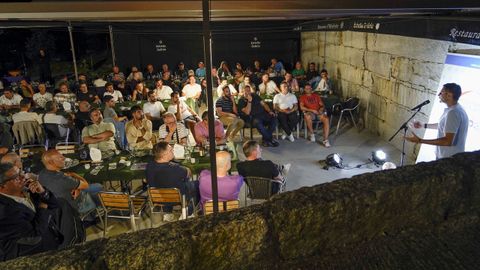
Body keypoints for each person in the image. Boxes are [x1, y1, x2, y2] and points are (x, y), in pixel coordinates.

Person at [0, 163, 61, 261]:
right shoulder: (4, 211)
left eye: (21, 172)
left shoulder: (27, 190)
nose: (23, 177)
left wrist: (43, 192)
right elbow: (35, 234)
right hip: (31, 256)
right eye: (16, 177)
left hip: (50, 241)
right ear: (2, 186)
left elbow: (55, 205)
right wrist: (43, 207)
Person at [406, 83, 469, 159]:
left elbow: (448, 141)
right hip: (447, 155)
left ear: (449, 95)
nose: (439, 94)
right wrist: (424, 125)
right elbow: (445, 126)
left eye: (441, 92)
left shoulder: (453, 113)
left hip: (448, 157)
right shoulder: (455, 109)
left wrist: (420, 140)